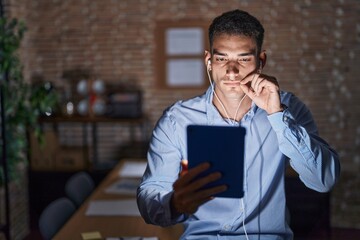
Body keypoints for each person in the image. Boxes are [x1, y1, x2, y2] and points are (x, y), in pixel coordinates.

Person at [137, 9, 340, 240]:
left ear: (261, 61)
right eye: (221, 58)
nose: (231, 71)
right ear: (209, 61)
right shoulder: (177, 120)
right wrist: (174, 203)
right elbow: (148, 199)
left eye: (243, 59)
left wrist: (277, 115)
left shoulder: (288, 108)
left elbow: (324, 181)